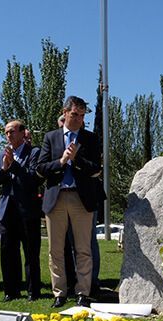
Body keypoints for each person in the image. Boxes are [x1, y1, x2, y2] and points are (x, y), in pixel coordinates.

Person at [37, 96, 102, 308]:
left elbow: (96, 168)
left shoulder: (90, 138)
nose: (78, 119)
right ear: (64, 113)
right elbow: (41, 168)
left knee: (83, 249)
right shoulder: (51, 137)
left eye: (82, 116)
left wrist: (76, 159)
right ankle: (59, 293)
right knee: (55, 250)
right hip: (56, 199)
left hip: (81, 198)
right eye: (75, 114)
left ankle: (83, 292)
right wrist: (62, 161)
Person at [0, 120, 43, 302]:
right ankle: (11, 291)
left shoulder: (34, 152)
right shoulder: (2, 153)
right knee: (8, 252)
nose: (9, 135)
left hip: (27, 210)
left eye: (12, 131)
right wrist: (4, 168)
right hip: (7, 210)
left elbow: (33, 179)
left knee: (30, 252)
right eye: (6, 132)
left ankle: (33, 291)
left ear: (22, 133)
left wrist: (13, 165)